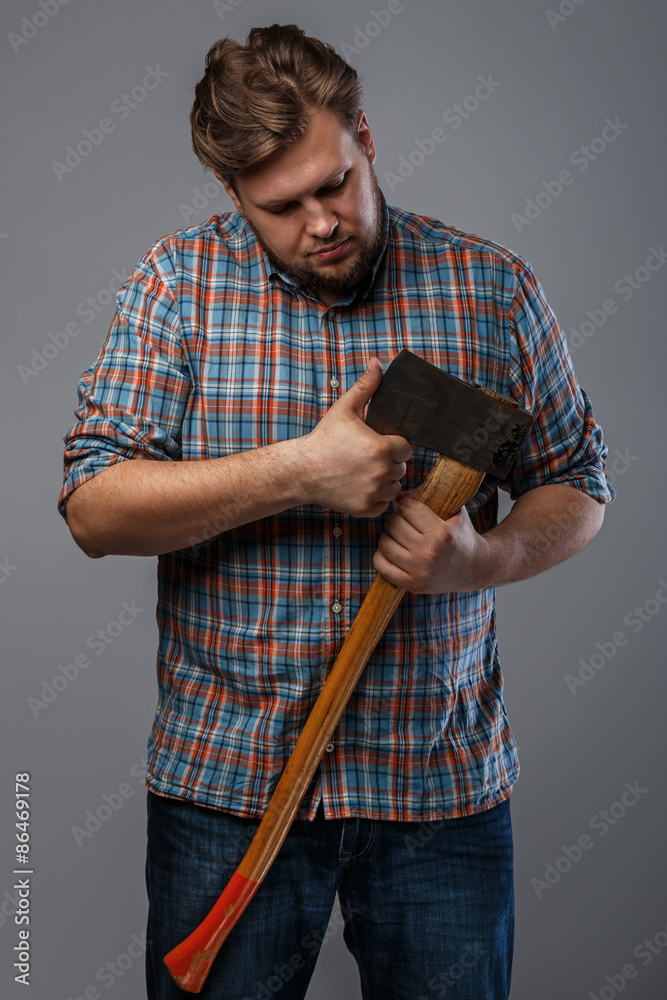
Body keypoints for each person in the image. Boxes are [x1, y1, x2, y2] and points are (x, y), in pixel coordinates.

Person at [58, 23, 614, 1000]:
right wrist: (297, 473)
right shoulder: (174, 289)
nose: (321, 220)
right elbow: (95, 509)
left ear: (365, 133)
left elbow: (578, 484)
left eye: (336, 181)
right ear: (233, 196)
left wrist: (474, 560)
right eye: (282, 206)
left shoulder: (491, 289)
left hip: (439, 791)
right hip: (226, 790)